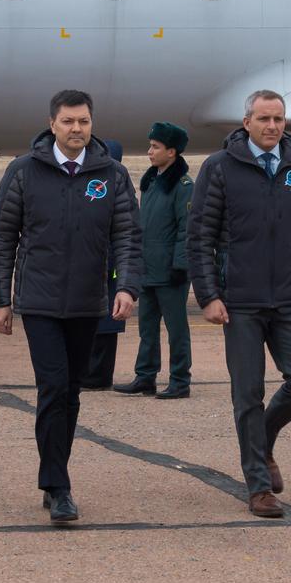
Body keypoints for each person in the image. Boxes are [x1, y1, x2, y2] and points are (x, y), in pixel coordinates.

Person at [0, 89, 142, 524]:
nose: (77, 129)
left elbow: (128, 236)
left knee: (72, 392)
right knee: (53, 388)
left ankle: (55, 472)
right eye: (69, 122)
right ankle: (58, 486)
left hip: (87, 304)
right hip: (39, 302)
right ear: (52, 124)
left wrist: (126, 286)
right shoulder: (24, 172)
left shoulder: (111, 175)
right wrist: (1, 299)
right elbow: (2, 237)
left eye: (84, 122)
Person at [187, 90, 291, 518]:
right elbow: (199, 237)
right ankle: (257, 486)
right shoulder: (220, 168)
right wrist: (209, 296)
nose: (272, 126)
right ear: (246, 121)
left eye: (279, 119)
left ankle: (264, 440)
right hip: (241, 303)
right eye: (264, 119)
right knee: (247, 394)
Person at [115, 122, 193, 399]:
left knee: (176, 331)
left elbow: (187, 230)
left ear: (171, 151)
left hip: (171, 273)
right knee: (147, 329)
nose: (149, 152)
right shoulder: (150, 183)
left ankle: (180, 381)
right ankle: (145, 377)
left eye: (155, 147)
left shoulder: (183, 186)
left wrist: (181, 266)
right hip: (147, 270)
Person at [82, 139, 126, 390]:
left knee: (107, 325)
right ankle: (90, 373)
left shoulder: (111, 185)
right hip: (96, 262)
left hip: (110, 264)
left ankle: (98, 376)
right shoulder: (97, 185)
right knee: (93, 323)